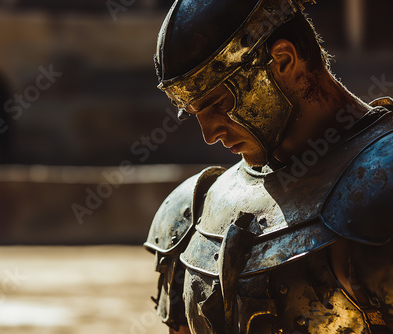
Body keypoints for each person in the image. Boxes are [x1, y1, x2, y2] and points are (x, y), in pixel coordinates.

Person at [143, 0, 393, 333]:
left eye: (218, 103)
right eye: (194, 112)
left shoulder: (383, 181)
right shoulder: (195, 209)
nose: (209, 134)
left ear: (284, 60)